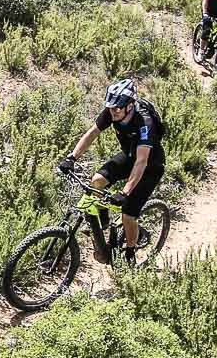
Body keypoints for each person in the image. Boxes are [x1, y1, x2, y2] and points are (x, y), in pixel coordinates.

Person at [63, 79, 166, 265]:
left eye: (117, 108)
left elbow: (142, 161)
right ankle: (103, 223)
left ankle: (130, 251)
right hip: (129, 156)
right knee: (97, 181)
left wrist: (124, 192)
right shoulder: (113, 111)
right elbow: (92, 133)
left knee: (128, 214)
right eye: (110, 108)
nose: (113, 111)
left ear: (130, 106)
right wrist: (72, 157)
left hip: (150, 166)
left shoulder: (144, 123)